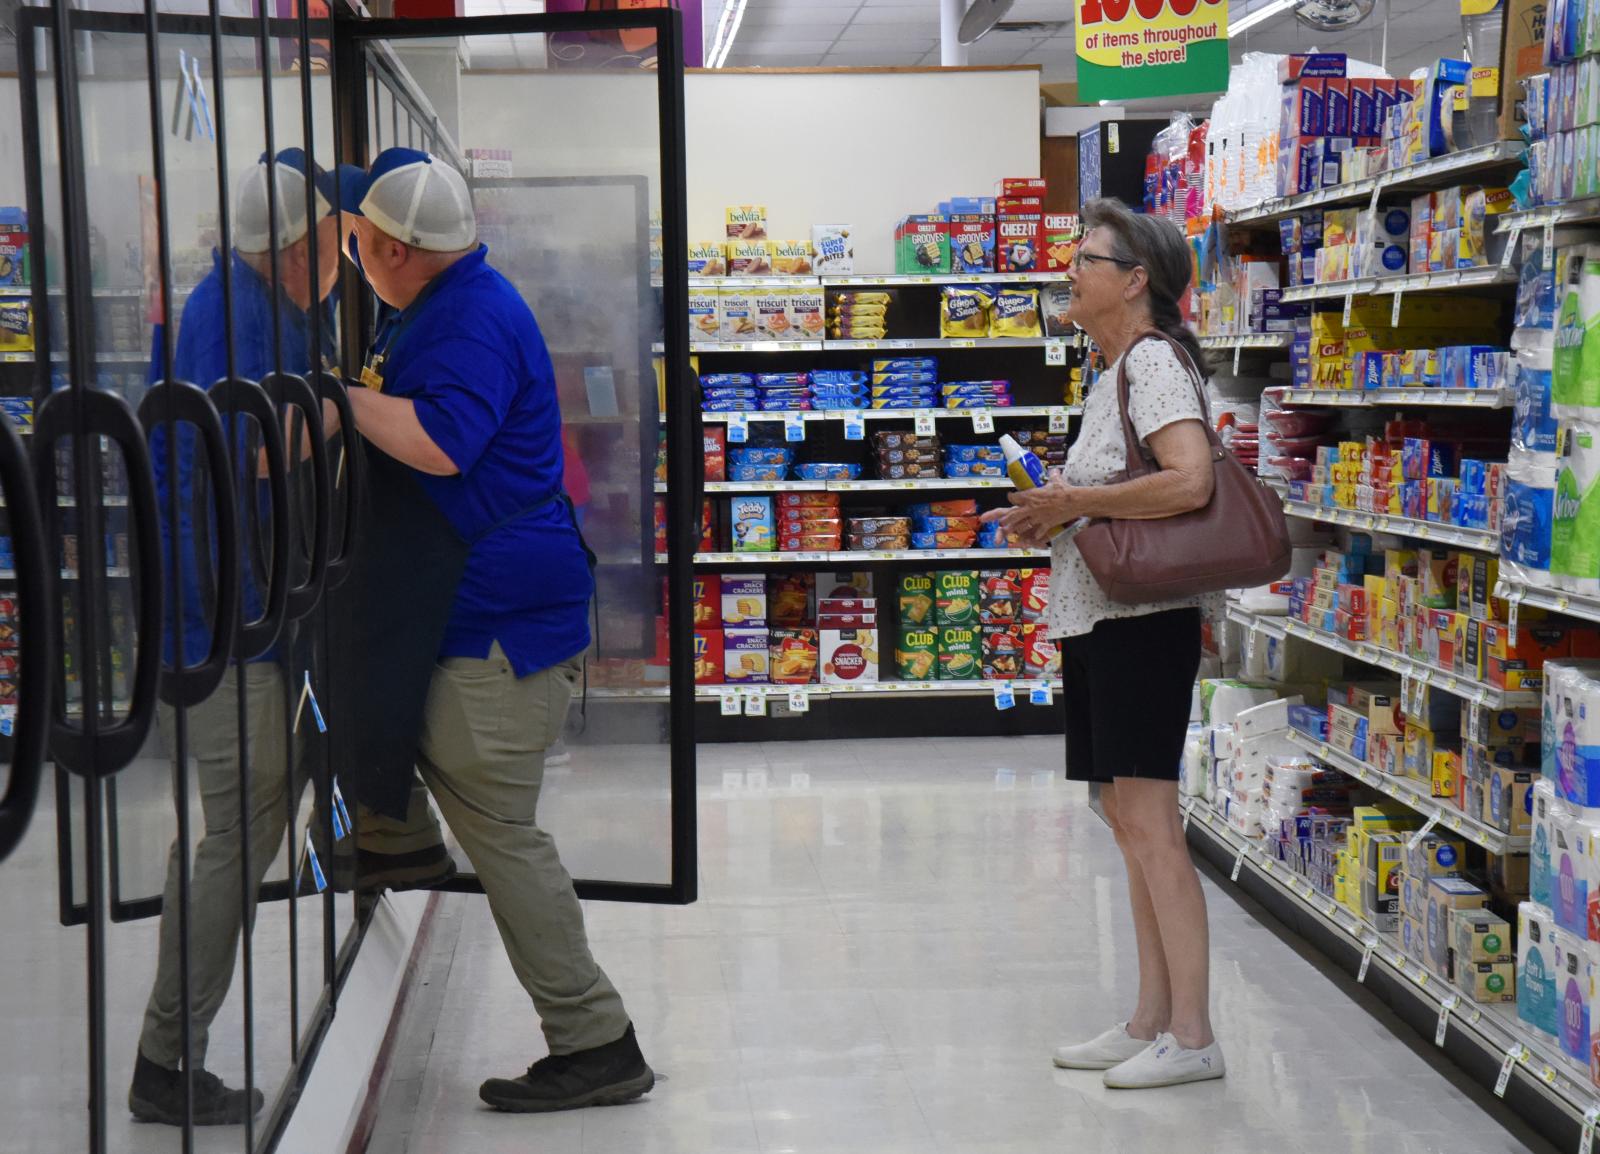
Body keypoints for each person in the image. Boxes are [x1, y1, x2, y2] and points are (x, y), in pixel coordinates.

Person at [336, 147, 653, 1112]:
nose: (349, 248)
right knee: (411, 742)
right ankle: (400, 841)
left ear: (391, 247)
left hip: (503, 625)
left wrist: (339, 403)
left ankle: (596, 1040)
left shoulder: (468, 319)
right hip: (489, 607)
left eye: (356, 238)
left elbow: (442, 442)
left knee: (505, 834)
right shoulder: (447, 300)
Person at [983, 197, 1225, 1090]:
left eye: (1086, 258)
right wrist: (1048, 509)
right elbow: (1117, 491)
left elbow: (1189, 482)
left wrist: (1076, 502)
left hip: (1142, 625)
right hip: (1100, 620)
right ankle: (1150, 1019)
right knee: (1127, 824)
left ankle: (1194, 1035)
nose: (1069, 271)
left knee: (1153, 828)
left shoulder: (1154, 361)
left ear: (1135, 280)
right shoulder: (1113, 367)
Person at [130, 149, 343, 1126]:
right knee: (242, 826)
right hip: (218, 615)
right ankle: (166, 1058)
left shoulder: (256, 304)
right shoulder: (234, 315)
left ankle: (172, 1042)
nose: (342, 256)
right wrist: (349, 415)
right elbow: (238, 457)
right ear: (293, 247)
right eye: (333, 240)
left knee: (238, 824)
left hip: (230, 605)